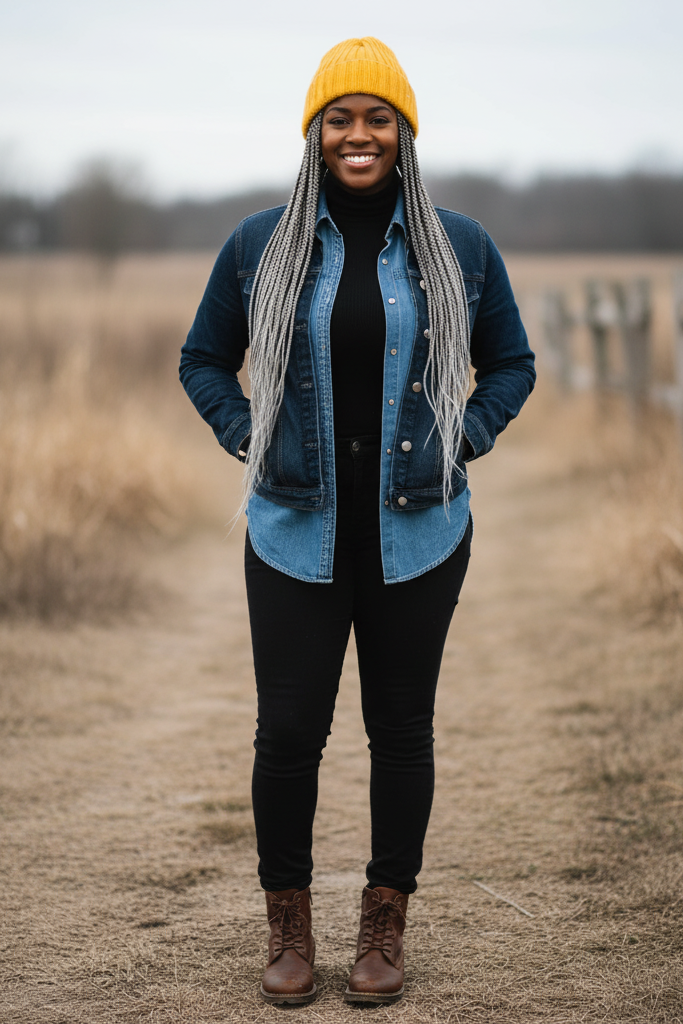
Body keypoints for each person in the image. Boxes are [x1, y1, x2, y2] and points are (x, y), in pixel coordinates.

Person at [180, 36, 535, 1007]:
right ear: (315, 133)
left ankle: (384, 924)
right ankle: (286, 927)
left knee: (401, 731)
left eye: (377, 117)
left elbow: (510, 363)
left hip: (420, 537)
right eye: (339, 118)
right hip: (292, 535)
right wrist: (247, 436)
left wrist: (462, 438)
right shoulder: (260, 244)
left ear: (403, 132)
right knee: (288, 732)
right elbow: (202, 359)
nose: (358, 134)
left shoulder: (455, 245)